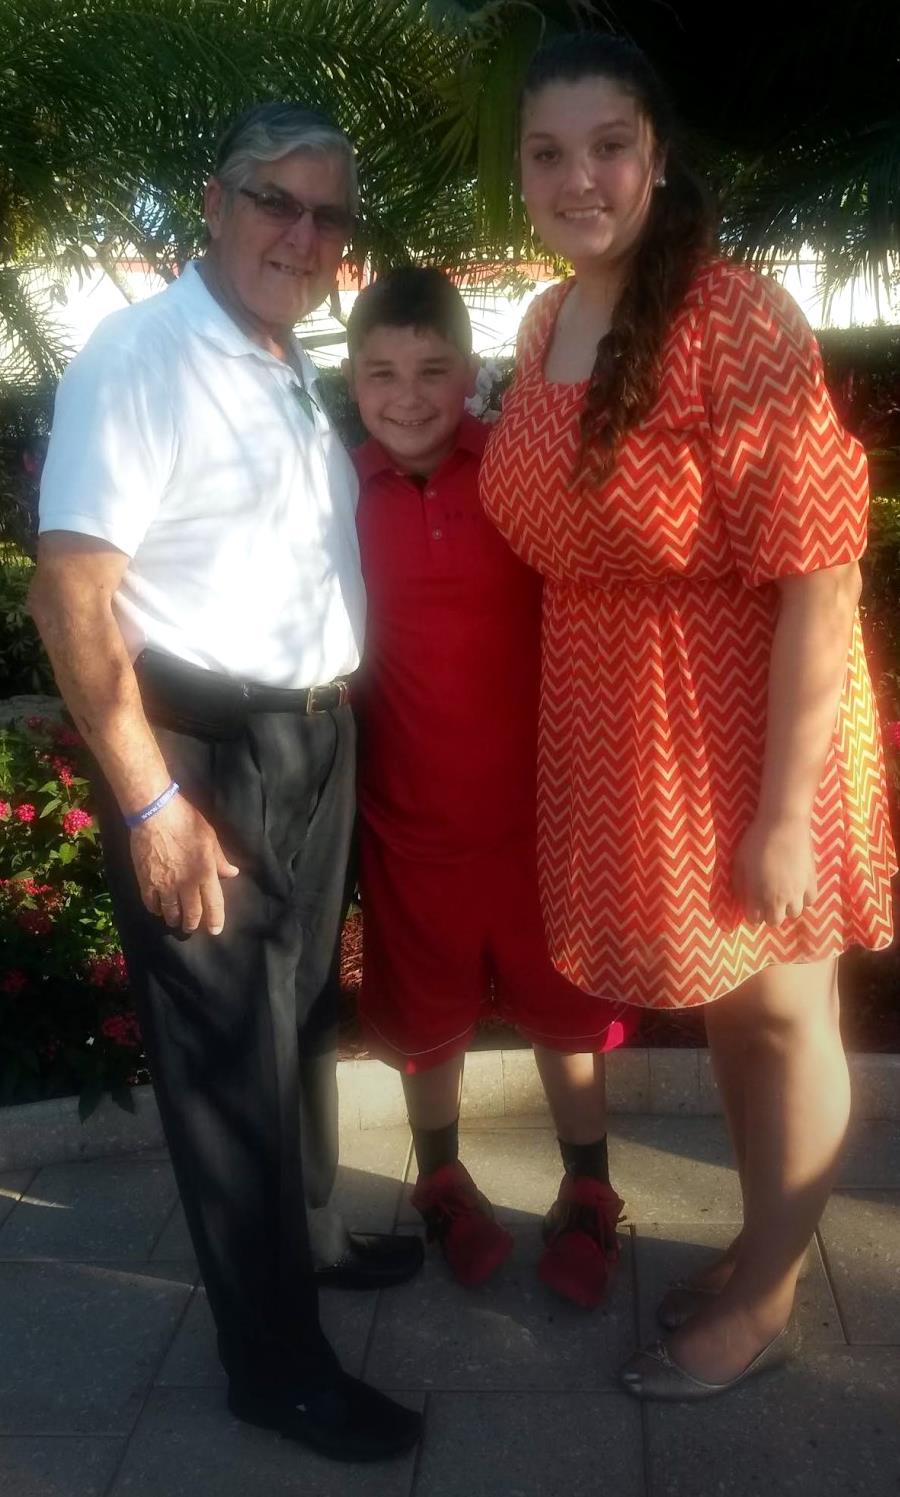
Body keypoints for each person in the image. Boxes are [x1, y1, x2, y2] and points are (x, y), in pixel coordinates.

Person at [480, 35, 897, 1400]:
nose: (579, 178)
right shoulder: (545, 322)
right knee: (731, 1011)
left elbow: (822, 577)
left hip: (754, 726)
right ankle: (761, 1244)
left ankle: (767, 1293)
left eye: (609, 146)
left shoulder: (736, 318)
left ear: (656, 157)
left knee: (785, 1015)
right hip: (632, 728)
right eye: (549, 153)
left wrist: (784, 812)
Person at [29, 102, 423, 1462]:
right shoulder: (143, 357)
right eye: (276, 202)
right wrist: (151, 804)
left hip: (310, 735)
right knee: (225, 1062)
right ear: (215, 202)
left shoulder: (280, 355)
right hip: (202, 750)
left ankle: (310, 1248)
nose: (303, 235)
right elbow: (70, 594)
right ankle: (277, 1369)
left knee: (298, 1017)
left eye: (328, 215)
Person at [344, 266, 636, 1308]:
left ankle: (589, 1189)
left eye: (432, 370)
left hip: (540, 820)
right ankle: (440, 1180)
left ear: (469, 372)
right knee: (426, 1024)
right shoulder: (335, 492)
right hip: (408, 821)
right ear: (352, 377)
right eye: (382, 373)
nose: (408, 396)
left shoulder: (516, 470)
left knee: (568, 1016)